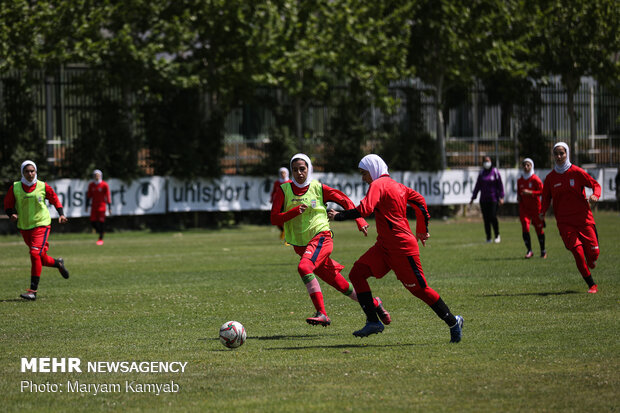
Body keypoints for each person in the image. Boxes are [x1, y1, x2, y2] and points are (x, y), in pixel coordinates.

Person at [328, 154, 463, 343]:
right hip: (384, 246)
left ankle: (453, 321)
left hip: (401, 248)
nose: (363, 178)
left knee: (420, 290)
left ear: (373, 170)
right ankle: (373, 321)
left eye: (364, 173)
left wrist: (339, 216)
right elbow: (420, 202)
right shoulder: (398, 186)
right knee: (357, 273)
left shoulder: (378, 185)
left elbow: (365, 209)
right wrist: (422, 230)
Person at [270, 153, 391, 327]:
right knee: (342, 286)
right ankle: (375, 303)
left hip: (321, 239)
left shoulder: (318, 188)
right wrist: (294, 211)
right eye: (295, 170)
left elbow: (343, 199)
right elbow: (274, 219)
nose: (299, 173)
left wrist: (360, 220)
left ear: (309, 169)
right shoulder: (284, 190)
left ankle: (322, 313)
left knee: (304, 268)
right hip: (302, 248)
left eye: (302, 169)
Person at [3, 160, 70, 301]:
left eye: (32, 171)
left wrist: (61, 214)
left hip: (41, 224)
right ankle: (58, 263)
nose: (30, 173)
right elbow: (8, 204)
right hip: (24, 227)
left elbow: (54, 199)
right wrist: (11, 214)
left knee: (34, 253)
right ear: (22, 172)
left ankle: (33, 291)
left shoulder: (42, 186)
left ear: (36, 171)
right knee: (40, 257)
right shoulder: (15, 187)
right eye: (27, 171)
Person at [541, 142, 601, 293]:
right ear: (553, 156)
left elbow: (596, 185)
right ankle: (592, 285)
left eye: (562, 153)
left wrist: (595, 195)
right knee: (578, 252)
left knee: (594, 254)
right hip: (565, 222)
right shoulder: (550, 178)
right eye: (556, 154)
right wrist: (542, 211)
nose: (559, 156)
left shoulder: (577, 172)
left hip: (584, 219)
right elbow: (546, 198)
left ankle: (591, 257)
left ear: (567, 153)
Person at [470, 156, 504, 243]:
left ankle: (497, 235)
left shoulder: (495, 172)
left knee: (493, 216)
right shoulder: (481, 173)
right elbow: (477, 186)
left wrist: (501, 197)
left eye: (488, 161)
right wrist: (473, 197)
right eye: (485, 161)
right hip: (484, 199)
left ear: (491, 161)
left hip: (493, 199)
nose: (487, 163)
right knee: (486, 219)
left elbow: (500, 185)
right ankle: (488, 237)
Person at [517, 158, 547, 259]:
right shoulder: (520, 180)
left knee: (539, 229)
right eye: (524, 165)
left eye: (528, 165)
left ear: (531, 166)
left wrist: (531, 193)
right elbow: (519, 194)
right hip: (524, 208)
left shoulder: (535, 179)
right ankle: (529, 250)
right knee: (525, 227)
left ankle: (543, 250)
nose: (526, 167)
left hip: (535, 208)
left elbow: (543, 192)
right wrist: (519, 197)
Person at [86, 169, 111, 245]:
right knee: (93, 222)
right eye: (95, 175)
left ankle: (100, 238)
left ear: (100, 176)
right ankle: (101, 232)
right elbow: (89, 196)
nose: (96, 176)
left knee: (101, 222)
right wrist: (86, 206)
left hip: (102, 206)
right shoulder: (91, 185)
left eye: (98, 175)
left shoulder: (104, 184)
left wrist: (109, 207)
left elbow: (108, 196)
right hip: (94, 207)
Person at [270, 167, 292, 240]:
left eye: (284, 173)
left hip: (287, 202)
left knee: (287, 218)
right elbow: (274, 191)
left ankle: (288, 233)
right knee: (277, 218)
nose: (283, 174)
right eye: (281, 173)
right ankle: (283, 231)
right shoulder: (277, 182)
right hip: (278, 203)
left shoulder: (290, 182)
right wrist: (271, 198)